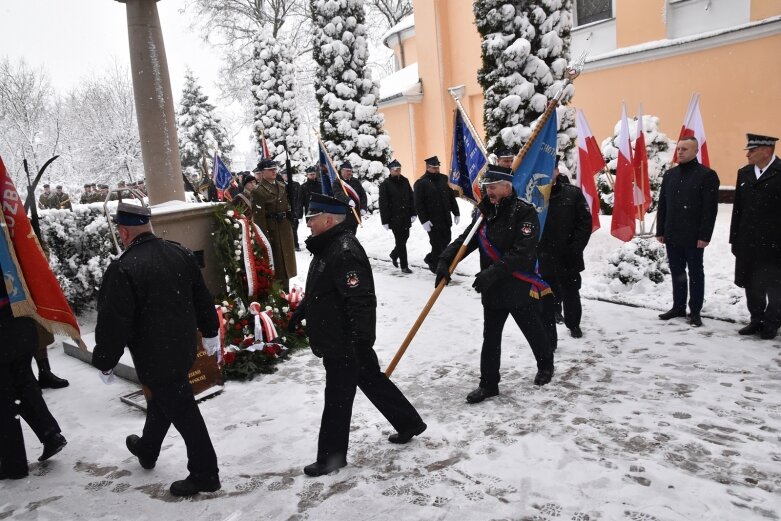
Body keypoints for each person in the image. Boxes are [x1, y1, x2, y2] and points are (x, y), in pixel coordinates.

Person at [289, 193, 426, 476]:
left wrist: (360, 342)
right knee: (372, 380)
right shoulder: (329, 245)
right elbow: (323, 288)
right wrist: (303, 310)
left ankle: (331, 457)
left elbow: (361, 300)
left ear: (328, 220)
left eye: (312, 219)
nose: (309, 225)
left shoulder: (344, 250)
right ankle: (408, 422)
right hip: (344, 338)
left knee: (337, 398)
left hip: (345, 341)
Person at [92, 203, 221, 497]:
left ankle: (205, 473)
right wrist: (210, 331)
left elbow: (114, 322)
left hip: (154, 355)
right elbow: (202, 296)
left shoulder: (124, 267)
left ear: (123, 232)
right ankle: (147, 449)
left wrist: (105, 360)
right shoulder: (180, 252)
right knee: (163, 401)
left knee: (183, 411)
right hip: (182, 347)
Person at [436, 165, 555, 404]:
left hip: (518, 285)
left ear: (506, 186)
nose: (488, 191)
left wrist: (492, 273)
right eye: (487, 187)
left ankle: (545, 365)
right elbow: (466, 241)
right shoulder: (484, 213)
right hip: (493, 289)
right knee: (490, 338)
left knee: (532, 329)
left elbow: (522, 252)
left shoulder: (524, 212)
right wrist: (444, 260)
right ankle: (488, 384)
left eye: (492, 186)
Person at [1, 264, 67, 480]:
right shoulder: (6, 236)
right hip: (19, 320)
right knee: (24, 382)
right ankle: (50, 434)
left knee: (4, 399)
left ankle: (14, 464)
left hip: (5, 325)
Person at [655, 136, 720, 327]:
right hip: (673, 232)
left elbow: (710, 210)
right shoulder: (670, 175)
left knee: (695, 273)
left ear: (695, 151)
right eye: (679, 148)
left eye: (685, 149)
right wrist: (661, 230)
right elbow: (663, 205)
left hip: (694, 235)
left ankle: (695, 311)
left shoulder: (707, 175)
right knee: (677, 271)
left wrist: (704, 235)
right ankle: (678, 306)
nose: (680, 152)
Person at [730, 133, 781, 339]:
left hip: (775, 243)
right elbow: (738, 209)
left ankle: (772, 322)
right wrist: (734, 238)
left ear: (767, 151)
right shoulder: (744, 173)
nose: (748, 155)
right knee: (751, 282)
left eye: (752, 150)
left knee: (775, 285)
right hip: (748, 241)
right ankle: (756, 319)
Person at [538, 166, 594, 338]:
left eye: (551, 169)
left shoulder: (573, 193)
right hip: (544, 255)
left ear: (556, 171)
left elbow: (584, 224)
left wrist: (575, 248)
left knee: (571, 292)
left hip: (568, 255)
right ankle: (551, 326)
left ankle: (573, 324)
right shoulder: (535, 194)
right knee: (547, 293)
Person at [251, 159, 297, 290]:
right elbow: (258, 219)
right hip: (272, 231)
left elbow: (286, 205)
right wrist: (264, 239)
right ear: (262, 172)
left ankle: (286, 293)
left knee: (286, 264)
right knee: (276, 266)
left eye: (275, 169)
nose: (274, 171)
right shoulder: (258, 191)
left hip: (284, 228)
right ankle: (277, 296)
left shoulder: (281, 186)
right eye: (270, 169)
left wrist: (290, 214)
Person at [414, 156, 460, 272]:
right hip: (432, 221)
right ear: (428, 168)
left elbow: (451, 197)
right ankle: (437, 268)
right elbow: (419, 204)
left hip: (445, 218)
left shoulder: (444, 179)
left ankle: (431, 258)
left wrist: (456, 212)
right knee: (437, 244)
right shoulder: (421, 183)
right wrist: (424, 220)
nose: (437, 170)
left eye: (438, 167)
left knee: (446, 240)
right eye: (434, 168)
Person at [379, 159, 416, 274]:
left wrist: (414, 212)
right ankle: (404, 266)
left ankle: (394, 254)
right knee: (400, 241)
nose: (398, 171)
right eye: (396, 169)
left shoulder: (405, 181)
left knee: (405, 238)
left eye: (399, 169)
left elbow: (411, 197)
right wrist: (384, 221)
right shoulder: (385, 184)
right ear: (390, 170)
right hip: (394, 218)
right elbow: (383, 203)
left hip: (405, 216)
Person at [339, 162, 367, 234]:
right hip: (343, 215)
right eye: (347, 171)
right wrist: (348, 200)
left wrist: (363, 207)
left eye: (350, 171)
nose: (349, 173)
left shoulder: (356, 181)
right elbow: (337, 194)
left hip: (355, 215)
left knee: (353, 234)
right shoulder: (338, 182)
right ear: (342, 171)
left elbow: (363, 195)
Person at [285, 170, 304, 251]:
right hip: (286, 211)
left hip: (294, 210)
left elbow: (299, 198)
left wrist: (298, 211)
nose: (287, 177)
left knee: (294, 229)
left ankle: (295, 244)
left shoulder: (296, 185)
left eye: (288, 175)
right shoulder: (281, 185)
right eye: (285, 175)